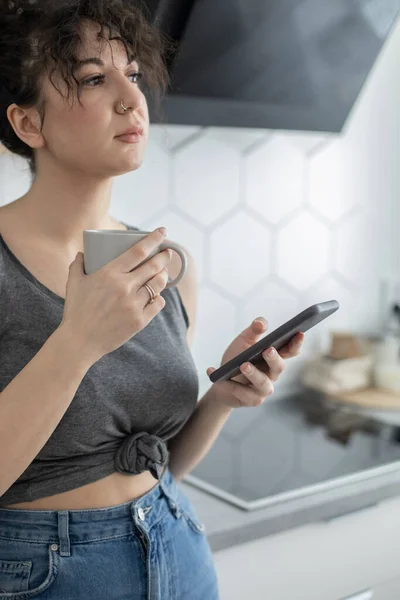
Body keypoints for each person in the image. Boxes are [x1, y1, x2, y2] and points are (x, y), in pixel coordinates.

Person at [0, 1, 304, 598]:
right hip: (47, 576)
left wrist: (218, 399)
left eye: (132, 75)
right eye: (93, 78)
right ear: (27, 123)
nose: (130, 99)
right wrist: (78, 341)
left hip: (177, 551)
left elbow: (155, 464)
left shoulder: (166, 264)